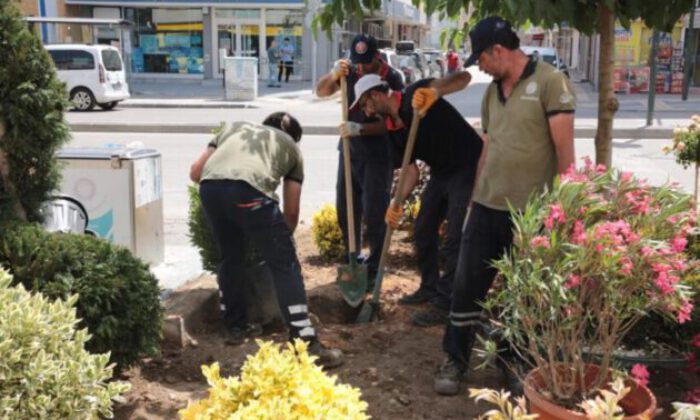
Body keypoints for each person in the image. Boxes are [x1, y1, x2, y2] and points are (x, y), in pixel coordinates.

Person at [433, 16, 576, 395]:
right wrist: (472, 201)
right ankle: (454, 359)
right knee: (466, 286)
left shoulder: (550, 83)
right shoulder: (491, 92)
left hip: (531, 215)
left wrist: (566, 212)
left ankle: (515, 362)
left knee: (523, 293)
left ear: (498, 50)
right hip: (485, 207)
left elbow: (566, 156)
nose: (478, 66)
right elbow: (488, 148)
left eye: (480, 57)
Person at [189, 112, 344, 369]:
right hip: (252, 193)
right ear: (295, 137)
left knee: (230, 256)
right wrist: (279, 245)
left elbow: (196, 173)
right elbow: (291, 213)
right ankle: (307, 345)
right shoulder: (292, 148)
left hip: (210, 190)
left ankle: (236, 327)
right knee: (285, 266)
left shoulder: (234, 127)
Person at [346, 70, 483, 328]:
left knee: (453, 238)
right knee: (423, 230)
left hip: (467, 164)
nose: (366, 112)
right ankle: (429, 287)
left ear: (375, 94)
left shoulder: (415, 94)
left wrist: (436, 91)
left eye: (366, 104)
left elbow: (464, 78)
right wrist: (394, 204)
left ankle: (445, 304)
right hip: (441, 172)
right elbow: (411, 171)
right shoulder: (392, 132)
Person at [315, 34, 404, 287]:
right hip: (349, 151)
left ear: (377, 56)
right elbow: (321, 92)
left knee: (375, 212)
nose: (361, 68)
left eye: (366, 62)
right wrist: (333, 76)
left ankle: (375, 266)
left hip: (377, 154)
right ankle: (351, 259)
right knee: (346, 208)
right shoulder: (349, 71)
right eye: (358, 62)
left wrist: (360, 128)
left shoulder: (392, 77)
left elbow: (393, 124)